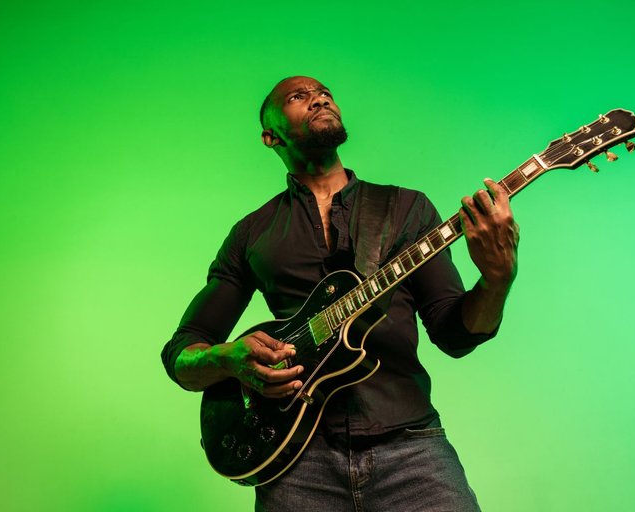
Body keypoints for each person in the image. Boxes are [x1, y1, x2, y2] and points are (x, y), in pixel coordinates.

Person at [161, 76, 519, 511]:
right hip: (295, 461)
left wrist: (496, 279)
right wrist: (228, 359)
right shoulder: (252, 233)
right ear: (270, 135)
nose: (319, 98)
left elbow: (455, 335)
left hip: (412, 450)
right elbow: (182, 352)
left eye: (324, 92)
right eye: (299, 97)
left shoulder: (405, 208)